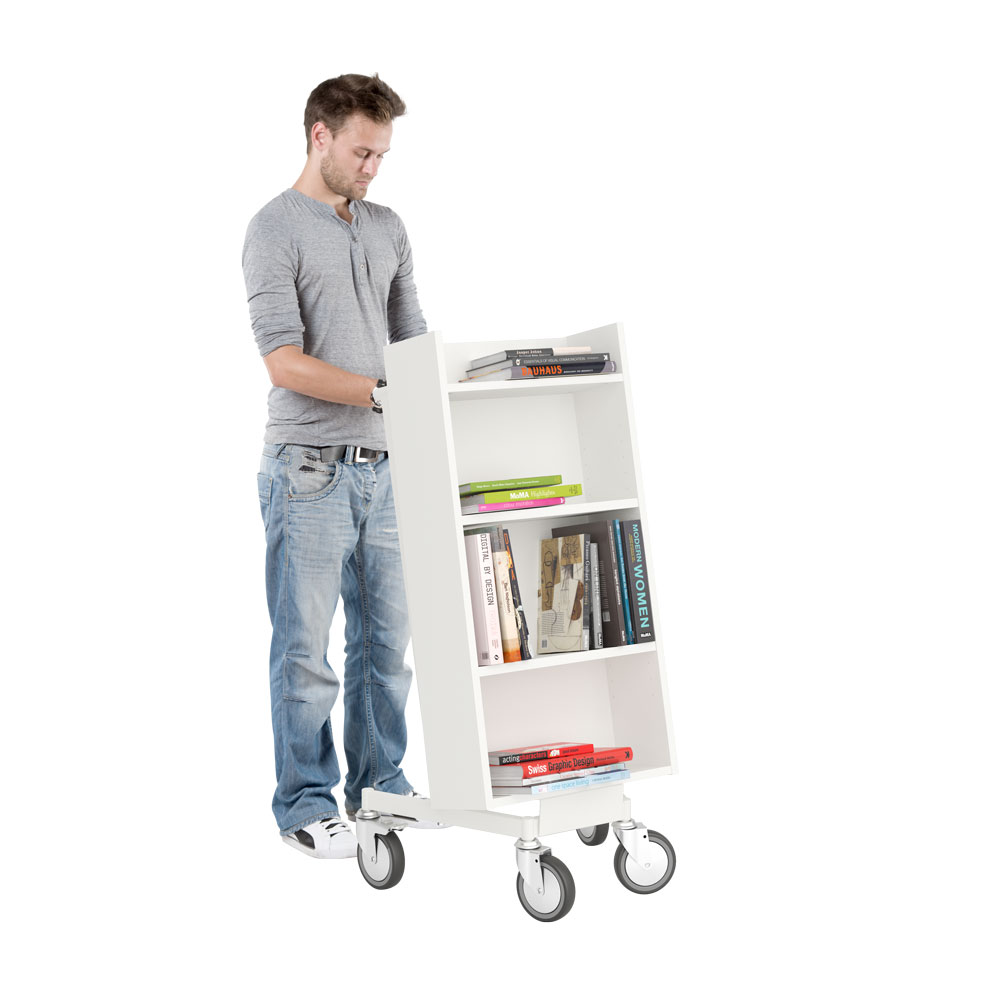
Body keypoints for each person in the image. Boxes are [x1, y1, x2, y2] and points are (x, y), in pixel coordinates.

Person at [243, 73, 432, 859]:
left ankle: (380, 785)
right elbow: (283, 362)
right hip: (307, 470)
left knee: (386, 648)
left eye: (382, 154)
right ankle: (305, 805)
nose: (373, 168)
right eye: (361, 152)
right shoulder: (273, 228)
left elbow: (413, 341)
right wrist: (383, 394)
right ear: (319, 135)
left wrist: (435, 393)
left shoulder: (388, 227)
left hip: (387, 468)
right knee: (305, 653)